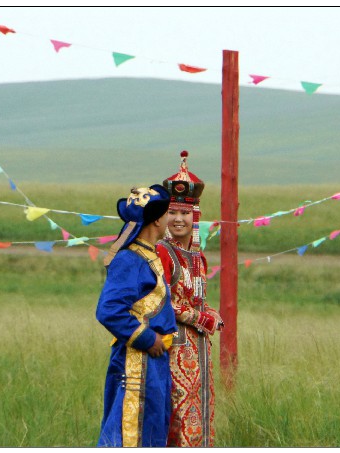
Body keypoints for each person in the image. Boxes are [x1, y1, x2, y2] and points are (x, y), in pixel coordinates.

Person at [96, 184, 177, 447]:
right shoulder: (129, 260)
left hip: (153, 362)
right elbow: (109, 310)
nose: (170, 219)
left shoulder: (148, 255)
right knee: (129, 432)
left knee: (153, 428)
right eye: (167, 213)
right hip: (135, 360)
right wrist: (146, 338)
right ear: (157, 219)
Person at [157, 151, 223, 447]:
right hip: (172, 349)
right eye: (172, 212)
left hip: (199, 351)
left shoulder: (198, 257)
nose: (178, 219)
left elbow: (197, 299)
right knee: (176, 419)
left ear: (195, 216)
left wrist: (211, 312)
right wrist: (199, 318)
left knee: (201, 417)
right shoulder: (162, 252)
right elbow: (159, 300)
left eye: (184, 213)